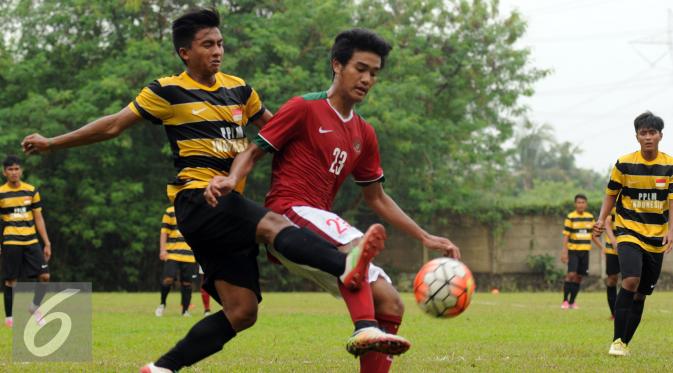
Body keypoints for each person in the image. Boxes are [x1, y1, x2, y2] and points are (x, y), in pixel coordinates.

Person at [20, 8, 394, 372]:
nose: (217, 51)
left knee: (242, 311)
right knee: (275, 225)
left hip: (228, 206)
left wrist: (334, 143)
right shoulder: (167, 90)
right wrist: (53, 142)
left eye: (220, 43)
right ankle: (348, 265)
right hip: (198, 198)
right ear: (185, 52)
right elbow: (113, 125)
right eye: (206, 45)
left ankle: (161, 368)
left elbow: (279, 131)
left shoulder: (240, 90)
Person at [205, 28, 461, 372]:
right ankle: (363, 327)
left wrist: (425, 237)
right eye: (360, 68)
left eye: (374, 73)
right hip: (288, 213)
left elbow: (378, 198)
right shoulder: (304, 108)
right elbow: (253, 152)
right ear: (337, 65)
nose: (367, 78)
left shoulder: (364, 133)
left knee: (390, 302)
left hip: (319, 229)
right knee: (356, 246)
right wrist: (233, 179)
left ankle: (371, 332)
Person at [593, 111, 673, 357]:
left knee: (641, 294)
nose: (648, 137)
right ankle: (616, 340)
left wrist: (671, 230)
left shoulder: (669, 165)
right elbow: (611, 194)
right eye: (643, 133)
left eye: (652, 132)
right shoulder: (624, 163)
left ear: (660, 135)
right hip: (628, 231)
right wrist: (602, 218)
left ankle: (624, 342)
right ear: (637, 136)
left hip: (656, 237)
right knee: (630, 280)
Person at [0, 155, 52, 328]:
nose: (14, 172)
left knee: (44, 276)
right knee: (11, 281)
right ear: (4, 172)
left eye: (16, 169)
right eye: (10, 169)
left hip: (31, 241)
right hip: (11, 241)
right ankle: (9, 318)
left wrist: (46, 242)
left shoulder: (31, 190)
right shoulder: (1, 193)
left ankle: (34, 307)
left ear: (21, 170)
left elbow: (39, 218)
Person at [560, 194, 602, 309]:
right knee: (571, 274)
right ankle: (565, 301)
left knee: (579, 277)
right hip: (573, 251)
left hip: (585, 252)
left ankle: (572, 302)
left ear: (586, 204)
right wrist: (564, 252)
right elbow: (566, 236)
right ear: (575, 204)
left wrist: (602, 248)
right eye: (578, 202)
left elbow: (593, 236)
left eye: (583, 202)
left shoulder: (590, 217)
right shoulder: (570, 217)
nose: (580, 205)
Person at [156, 206, 198, 317]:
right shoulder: (170, 211)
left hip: (189, 254)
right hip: (172, 253)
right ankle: (162, 304)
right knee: (168, 279)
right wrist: (162, 250)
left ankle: (185, 311)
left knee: (187, 283)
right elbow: (164, 232)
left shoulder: (195, 211)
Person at [603, 207, 619, 319]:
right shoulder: (612, 204)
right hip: (612, 248)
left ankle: (630, 310)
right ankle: (614, 312)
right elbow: (607, 223)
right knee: (612, 278)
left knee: (633, 278)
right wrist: (614, 242)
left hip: (631, 246)